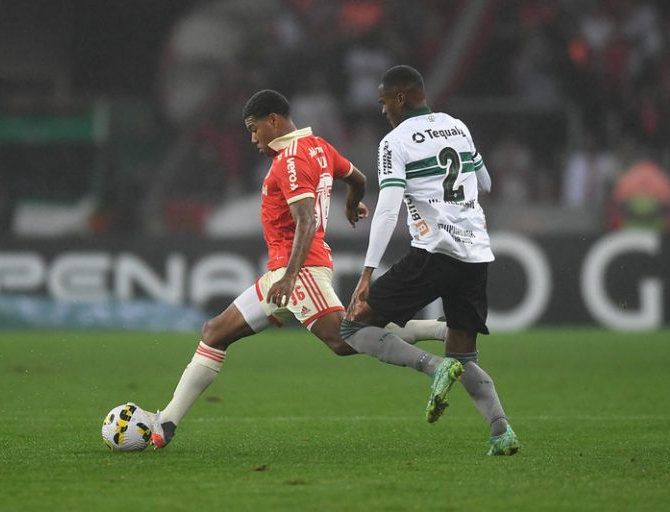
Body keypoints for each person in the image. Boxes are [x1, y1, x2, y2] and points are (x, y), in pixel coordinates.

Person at [146, 89, 446, 449]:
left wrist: (290, 275)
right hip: (282, 272)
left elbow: (304, 220)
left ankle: (438, 340)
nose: (252, 138)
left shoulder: (289, 159)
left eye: (254, 129)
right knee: (214, 332)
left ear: (273, 120)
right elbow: (359, 180)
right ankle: (166, 423)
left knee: (343, 339)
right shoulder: (319, 146)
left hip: (298, 270)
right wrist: (352, 205)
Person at [340, 65, 520, 456]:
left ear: (401, 98)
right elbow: (486, 182)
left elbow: (388, 210)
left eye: (384, 102)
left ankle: (431, 366)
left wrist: (367, 272)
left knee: (352, 327)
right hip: (475, 253)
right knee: (464, 354)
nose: (383, 110)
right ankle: (500, 430)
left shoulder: (395, 141)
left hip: (433, 252)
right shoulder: (458, 126)